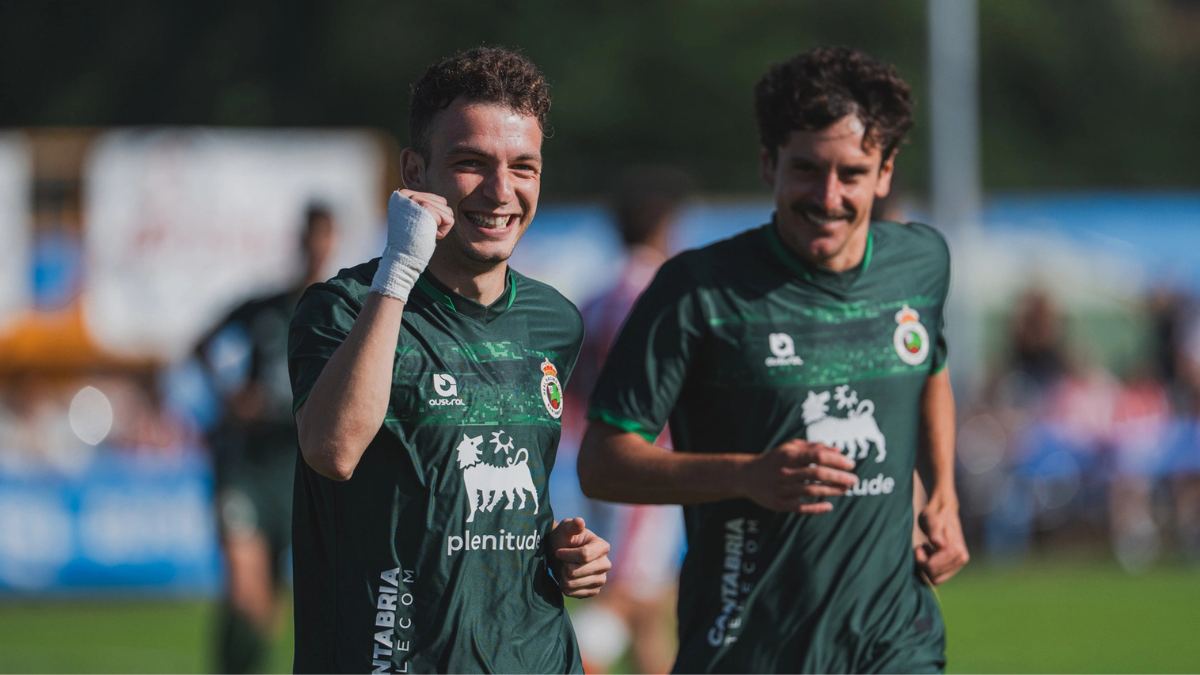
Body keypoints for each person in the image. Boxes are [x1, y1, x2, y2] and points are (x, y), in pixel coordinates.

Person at [578, 46, 969, 673]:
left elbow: (931, 371)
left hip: (897, 641)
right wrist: (748, 474)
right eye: (807, 170)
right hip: (747, 645)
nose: (829, 195)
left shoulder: (921, 263)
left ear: (886, 173)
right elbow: (602, 463)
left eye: (852, 173)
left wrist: (943, 495)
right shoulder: (696, 291)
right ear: (769, 164)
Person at [287, 47, 611, 674]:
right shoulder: (341, 308)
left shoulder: (555, 321)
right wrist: (399, 271)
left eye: (524, 167)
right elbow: (333, 448)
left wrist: (562, 550)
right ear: (416, 170)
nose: (501, 190)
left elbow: (502, 499)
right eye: (470, 164)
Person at [557, 166, 693, 674]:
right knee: (626, 596)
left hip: (595, 458)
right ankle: (566, 665)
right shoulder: (654, 294)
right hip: (645, 464)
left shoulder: (596, 295)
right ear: (663, 224)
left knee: (650, 608)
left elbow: (569, 389)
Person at [197, 204, 338, 673]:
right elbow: (201, 344)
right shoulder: (267, 306)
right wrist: (229, 395)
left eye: (325, 237)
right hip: (245, 462)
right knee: (244, 587)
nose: (317, 247)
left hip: (294, 470)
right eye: (311, 236)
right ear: (300, 240)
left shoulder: (341, 311)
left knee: (265, 610)